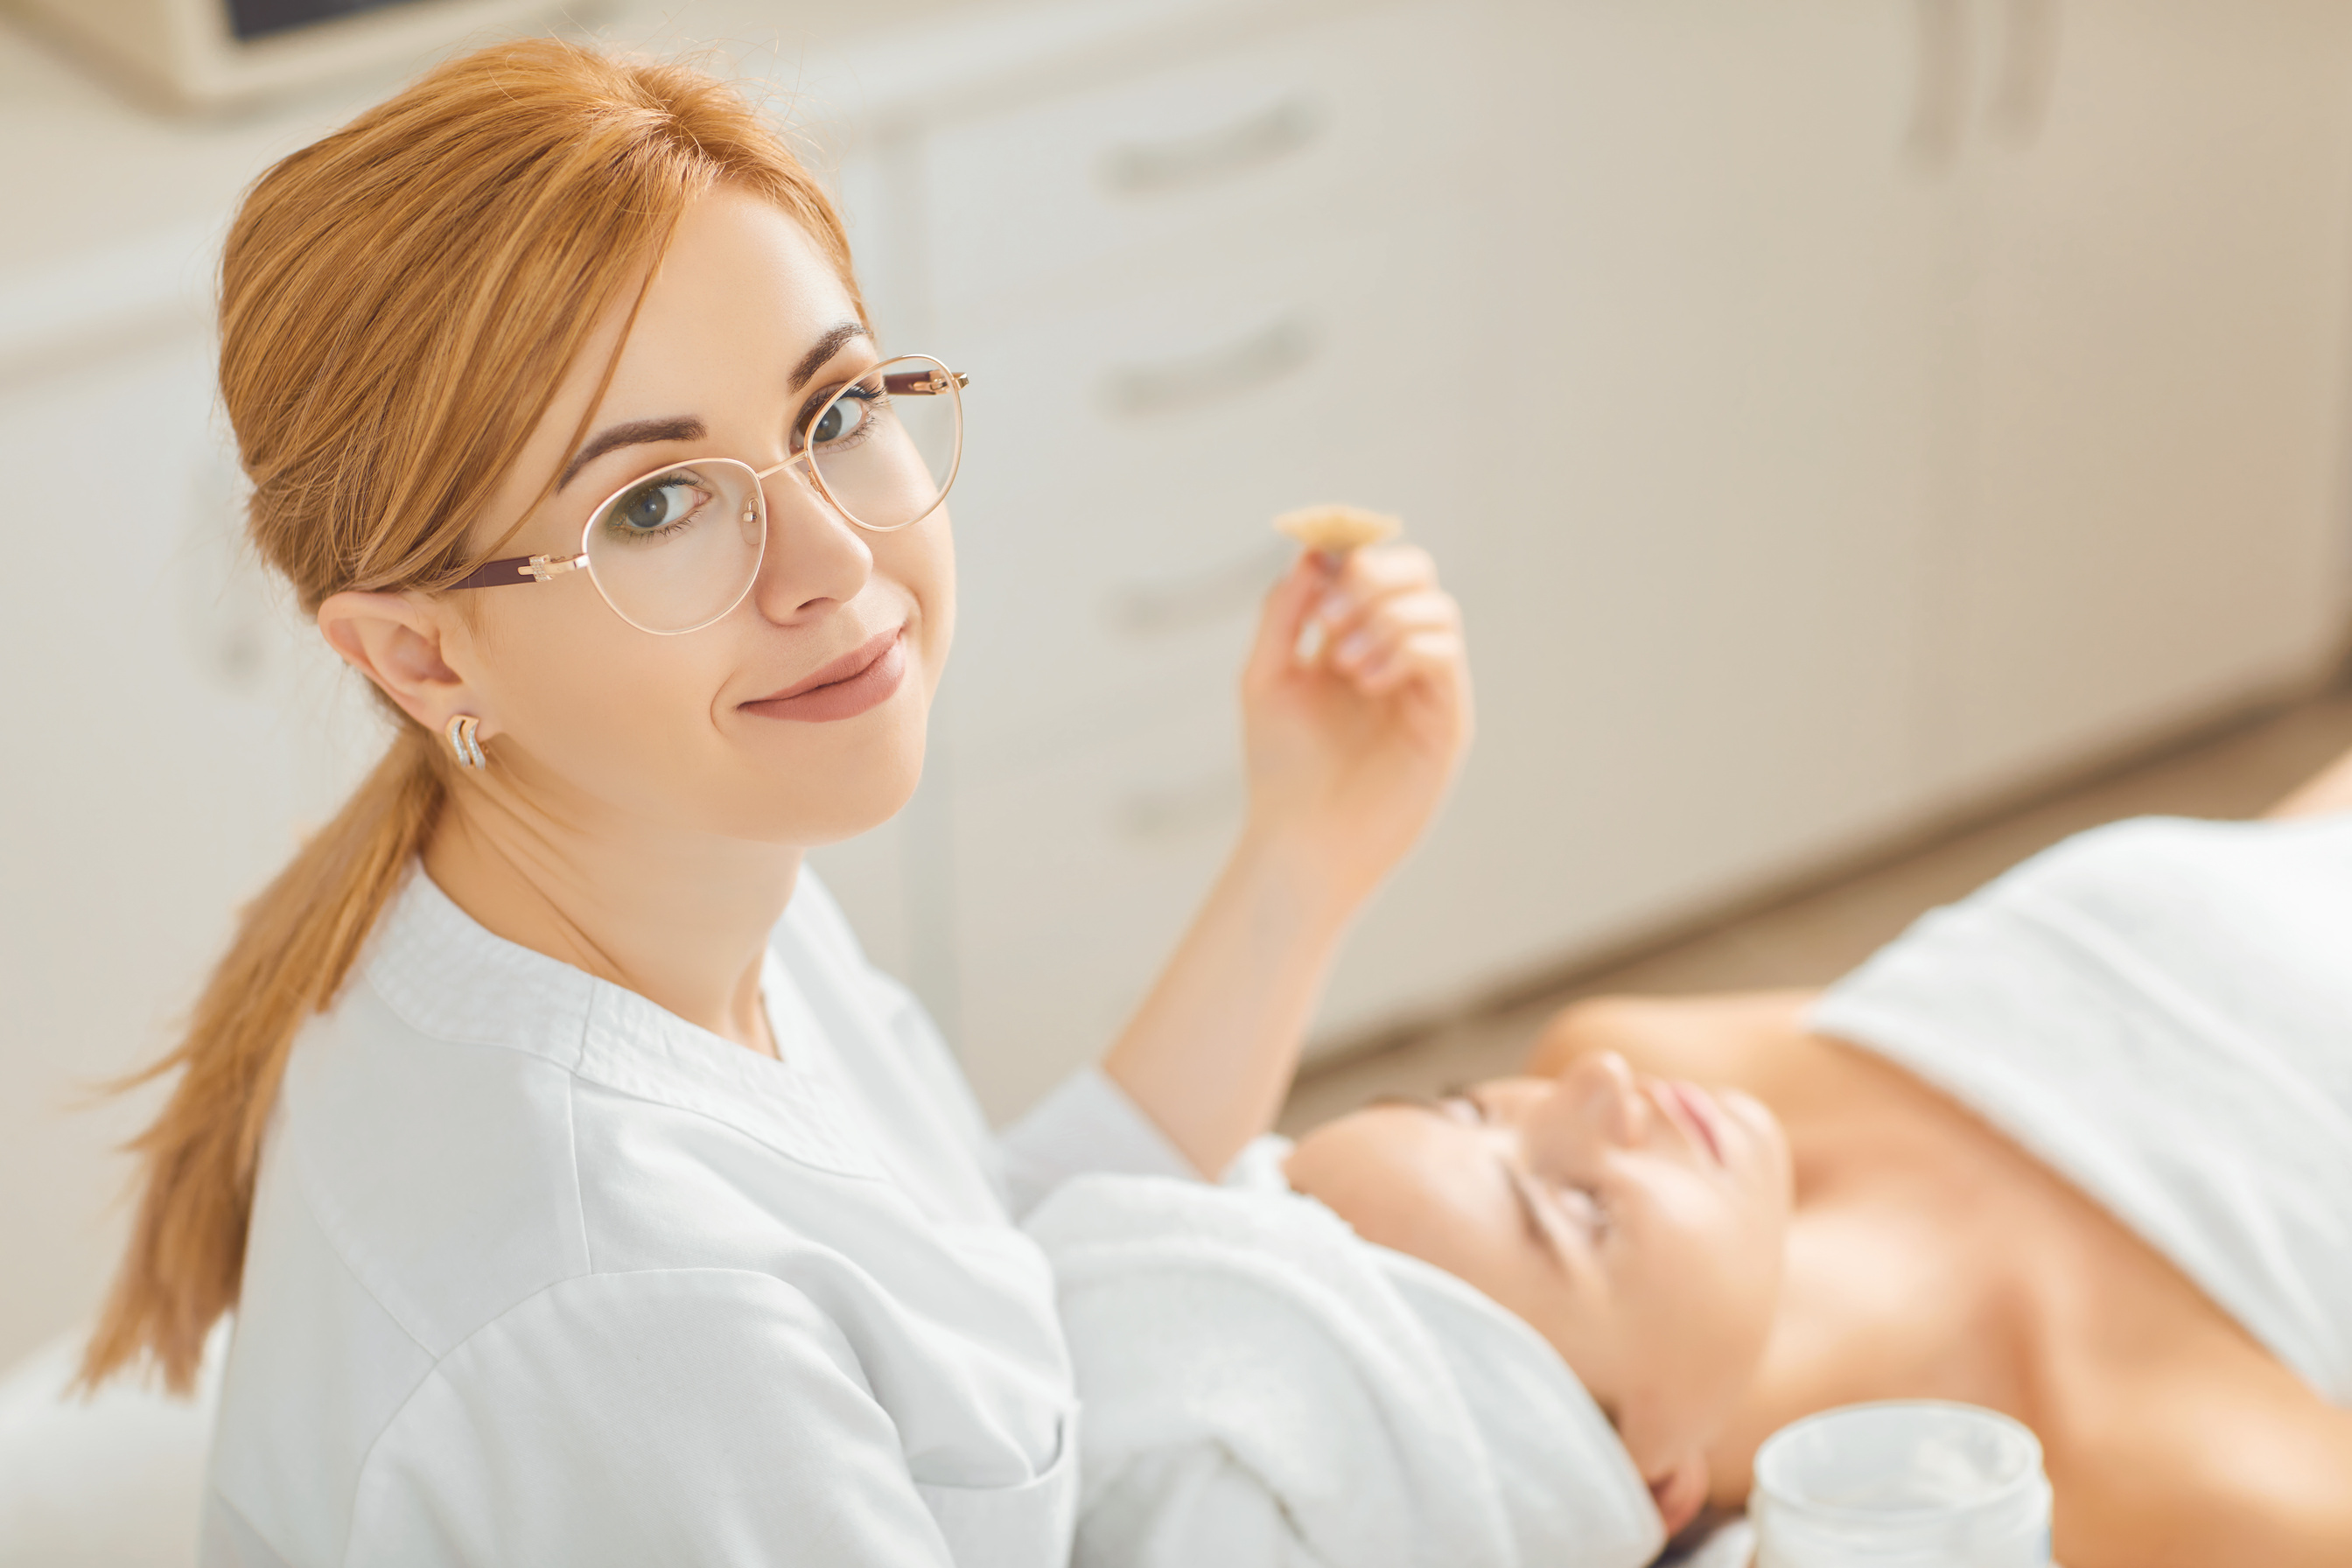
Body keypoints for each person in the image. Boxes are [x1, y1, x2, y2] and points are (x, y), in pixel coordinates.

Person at [75, 38, 1472, 1566]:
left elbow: (970, 1294)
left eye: (835, 410)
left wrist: (1307, 850)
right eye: (656, 504)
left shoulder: (659, 871)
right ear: (418, 653)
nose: (833, 559)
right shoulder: (635, 1306)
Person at [1284, 744, 2352, 1568]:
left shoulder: (1670, 1062)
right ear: (1641, 1479)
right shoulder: (2191, 1481)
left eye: (1470, 1109)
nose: (1591, 1094)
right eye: (1578, 1213)